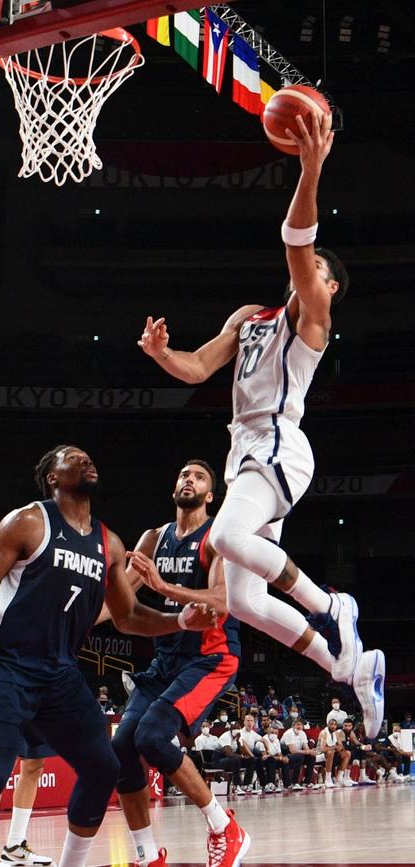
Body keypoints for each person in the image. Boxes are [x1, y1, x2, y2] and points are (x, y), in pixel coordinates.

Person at [137, 109, 384, 739]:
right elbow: (197, 370)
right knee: (244, 601)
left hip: (278, 445)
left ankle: (333, 606)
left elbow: (298, 243)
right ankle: (349, 667)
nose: (312, 277)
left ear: (329, 288)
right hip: (243, 450)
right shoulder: (252, 316)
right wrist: (163, 354)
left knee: (221, 539)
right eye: (312, 274)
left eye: (322, 276)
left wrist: (310, 172)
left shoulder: (314, 321)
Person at [0, 445, 225, 867]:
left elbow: (129, 616)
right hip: (4, 666)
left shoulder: (110, 543)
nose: (86, 460)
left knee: (105, 768)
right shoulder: (29, 521)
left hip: (60, 676)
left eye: (88, 457)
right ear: (52, 477)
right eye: (72, 456)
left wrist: (180, 622)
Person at [110, 458, 247, 867]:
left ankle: (226, 828)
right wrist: (71, 617)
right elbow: (119, 602)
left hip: (211, 657)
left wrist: (165, 586)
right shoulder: (154, 538)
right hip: (166, 661)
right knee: (121, 747)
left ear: (210, 494)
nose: (188, 479)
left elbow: (223, 602)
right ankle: (148, 855)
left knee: (151, 737)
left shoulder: (218, 537)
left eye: (198, 477)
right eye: (184, 473)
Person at [280, 718, 317, 790]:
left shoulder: (302, 733)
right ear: (293, 725)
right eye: (297, 724)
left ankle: (307, 782)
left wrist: (311, 751)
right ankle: (294, 782)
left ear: (303, 726)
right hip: (285, 755)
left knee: (311, 757)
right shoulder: (289, 733)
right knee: (299, 757)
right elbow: (293, 750)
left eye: (301, 725)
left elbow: (306, 747)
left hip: (297, 754)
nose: (299, 726)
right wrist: (307, 752)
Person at [318, 718, 352, 787]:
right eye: (331, 724)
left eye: (335, 724)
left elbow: (341, 746)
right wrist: (335, 747)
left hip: (332, 753)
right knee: (330, 752)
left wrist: (339, 749)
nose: (333, 726)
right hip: (320, 755)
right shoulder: (324, 733)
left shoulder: (336, 733)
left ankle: (339, 778)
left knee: (347, 753)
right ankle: (328, 779)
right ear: (328, 725)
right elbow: (322, 749)